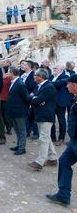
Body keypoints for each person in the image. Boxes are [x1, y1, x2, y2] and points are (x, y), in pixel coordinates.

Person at [46, 74, 77, 206]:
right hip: (74, 141)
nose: (66, 86)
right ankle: (63, 195)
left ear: (74, 85)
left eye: (68, 84)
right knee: (64, 161)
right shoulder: (75, 98)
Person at [28, 68, 57, 171]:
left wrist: (36, 99)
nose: (33, 77)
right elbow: (32, 97)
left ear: (41, 77)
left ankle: (40, 161)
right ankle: (53, 158)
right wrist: (35, 99)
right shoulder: (39, 86)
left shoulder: (49, 87)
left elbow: (37, 100)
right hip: (40, 115)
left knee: (43, 139)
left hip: (46, 116)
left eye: (35, 75)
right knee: (46, 137)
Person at [7, 66, 31, 155]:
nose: (7, 73)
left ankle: (22, 148)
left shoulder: (20, 84)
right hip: (14, 111)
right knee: (17, 129)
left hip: (20, 111)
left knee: (21, 130)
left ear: (12, 73)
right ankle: (19, 145)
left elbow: (26, 98)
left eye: (9, 72)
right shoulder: (14, 82)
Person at [50, 65, 73, 145]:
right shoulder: (52, 76)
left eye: (56, 68)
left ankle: (61, 138)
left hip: (60, 102)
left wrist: (48, 82)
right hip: (51, 102)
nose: (54, 69)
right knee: (51, 120)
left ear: (61, 69)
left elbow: (57, 84)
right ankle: (52, 137)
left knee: (61, 120)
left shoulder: (65, 76)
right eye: (54, 68)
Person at [0, 60, 13, 135]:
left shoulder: (8, 78)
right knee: (1, 114)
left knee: (6, 114)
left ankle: (9, 128)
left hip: (6, 98)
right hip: (0, 98)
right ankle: (3, 127)